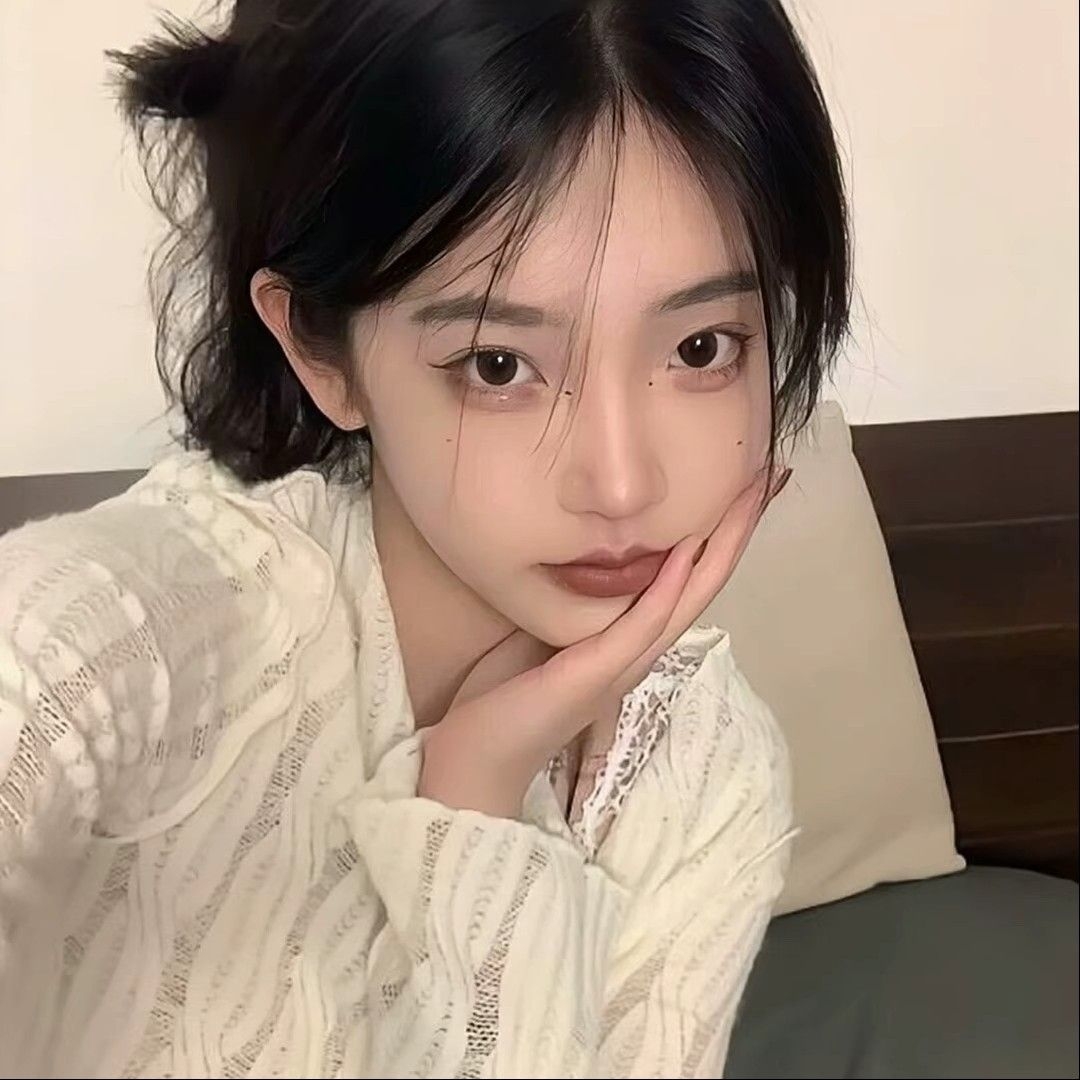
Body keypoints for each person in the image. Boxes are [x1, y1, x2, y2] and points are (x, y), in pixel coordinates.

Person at [0, 0, 849, 1075]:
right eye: (499, 365)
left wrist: (477, 800)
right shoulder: (165, 624)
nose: (623, 484)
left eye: (701, 347)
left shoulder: (708, 765)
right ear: (323, 354)